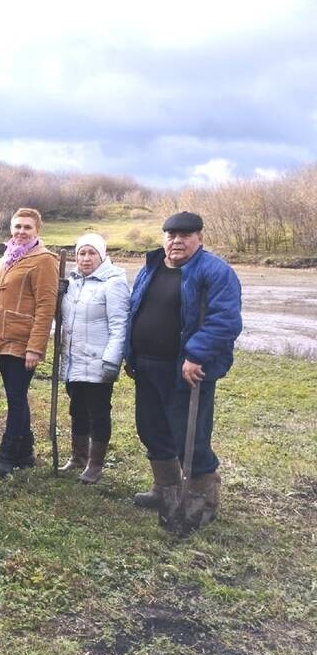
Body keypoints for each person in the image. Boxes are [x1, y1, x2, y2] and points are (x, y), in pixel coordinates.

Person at [124, 211, 241, 524]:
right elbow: (136, 310)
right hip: (147, 365)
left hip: (185, 370)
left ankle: (203, 499)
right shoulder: (151, 267)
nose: (176, 241)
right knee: (151, 429)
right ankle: (166, 488)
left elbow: (224, 320)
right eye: (170, 235)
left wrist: (196, 355)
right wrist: (130, 352)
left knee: (189, 435)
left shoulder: (215, 271)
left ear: (199, 238)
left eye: (184, 236)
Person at [0, 208, 60, 477]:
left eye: (27, 227)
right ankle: (26, 453)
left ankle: (6, 457)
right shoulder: (8, 257)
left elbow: (46, 306)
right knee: (15, 397)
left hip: (22, 342)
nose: (21, 232)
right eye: (17, 226)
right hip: (2, 340)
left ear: (37, 230)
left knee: (16, 400)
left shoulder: (44, 260)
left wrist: (35, 347)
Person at [58, 232, 130, 484]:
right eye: (81, 253)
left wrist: (111, 360)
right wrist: (58, 297)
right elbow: (65, 320)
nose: (85, 259)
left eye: (91, 253)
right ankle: (78, 456)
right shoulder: (73, 282)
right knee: (76, 409)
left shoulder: (113, 283)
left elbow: (120, 325)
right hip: (74, 359)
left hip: (98, 360)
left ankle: (95, 464)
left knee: (98, 412)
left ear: (102, 256)